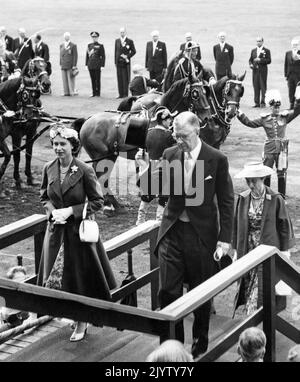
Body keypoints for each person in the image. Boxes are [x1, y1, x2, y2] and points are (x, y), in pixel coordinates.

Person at [140, 111, 234, 360]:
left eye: (182, 135)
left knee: (200, 294)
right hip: (172, 232)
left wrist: (225, 239)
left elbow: (226, 201)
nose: (178, 139)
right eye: (175, 134)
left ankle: (200, 346)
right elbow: (152, 190)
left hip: (201, 236)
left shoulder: (217, 159)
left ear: (197, 130)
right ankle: (171, 349)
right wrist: (148, 175)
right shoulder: (170, 154)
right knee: (168, 292)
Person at [37, 123, 117, 342]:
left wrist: (71, 212)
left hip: (77, 235)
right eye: (55, 144)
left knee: (80, 279)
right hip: (55, 234)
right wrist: (53, 212)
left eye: (63, 144)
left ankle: (82, 321)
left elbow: (98, 202)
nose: (58, 148)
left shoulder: (84, 169)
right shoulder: (49, 168)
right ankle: (72, 315)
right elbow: (44, 196)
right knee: (60, 279)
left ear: (73, 146)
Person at [232, 162, 295, 317]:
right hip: (247, 250)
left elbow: (284, 227)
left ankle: (253, 321)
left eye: (254, 181)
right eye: (248, 181)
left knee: (261, 289)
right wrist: (235, 250)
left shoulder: (275, 199)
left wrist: (284, 253)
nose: (251, 185)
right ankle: (255, 322)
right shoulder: (243, 198)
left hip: (266, 252)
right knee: (247, 287)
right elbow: (236, 225)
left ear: (263, 179)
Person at [236, 88, 300, 196]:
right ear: (270, 107)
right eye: (275, 107)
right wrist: (239, 113)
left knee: (281, 174)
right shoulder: (264, 119)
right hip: (269, 150)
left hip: (281, 150)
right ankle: (267, 195)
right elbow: (250, 123)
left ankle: (282, 197)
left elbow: (297, 111)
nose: (277, 109)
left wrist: (298, 99)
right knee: (266, 173)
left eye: (278, 107)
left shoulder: (285, 117)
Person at [135, 106, 177, 225]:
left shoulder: (148, 133)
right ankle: (159, 222)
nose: (171, 121)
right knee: (163, 199)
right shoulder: (169, 135)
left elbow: (144, 151)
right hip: (164, 170)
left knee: (146, 197)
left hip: (150, 168)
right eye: (169, 119)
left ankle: (140, 221)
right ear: (163, 120)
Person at [249, 37, 271, 108]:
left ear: (262, 42)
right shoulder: (253, 50)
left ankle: (263, 102)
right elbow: (250, 60)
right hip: (255, 71)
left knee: (263, 87)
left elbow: (269, 60)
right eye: (257, 41)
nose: (258, 42)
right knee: (256, 86)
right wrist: (251, 64)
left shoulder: (266, 50)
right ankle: (256, 103)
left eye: (260, 41)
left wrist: (260, 60)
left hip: (263, 71)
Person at [114, 27, 136, 98]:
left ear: (125, 32)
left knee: (125, 78)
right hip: (118, 63)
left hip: (125, 63)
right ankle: (120, 94)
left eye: (123, 32)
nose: (122, 33)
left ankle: (125, 94)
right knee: (119, 78)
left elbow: (133, 51)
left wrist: (127, 56)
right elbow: (115, 52)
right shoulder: (117, 41)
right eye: (121, 32)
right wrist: (115, 62)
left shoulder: (129, 41)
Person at [86, 31, 105, 97]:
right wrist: (86, 64)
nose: (94, 38)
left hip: (97, 65)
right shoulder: (89, 45)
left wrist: (102, 65)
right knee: (92, 79)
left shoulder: (100, 46)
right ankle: (93, 92)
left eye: (95, 37)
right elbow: (87, 56)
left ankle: (98, 93)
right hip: (90, 65)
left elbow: (103, 56)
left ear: (97, 37)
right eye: (93, 37)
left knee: (97, 79)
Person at [59, 32, 78, 97]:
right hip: (63, 64)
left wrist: (74, 65)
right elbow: (60, 55)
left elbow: (75, 56)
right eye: (65, 36)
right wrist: (60, 63)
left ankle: (71, 92)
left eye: (67, 36)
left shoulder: (73, 45)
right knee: (64, 79)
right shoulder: (61, 45)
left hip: (70, 65)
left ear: (69, 37)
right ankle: (66, 92)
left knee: (71, 79)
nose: (66, 37)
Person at [284, 37, 300, 109]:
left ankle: (297, 105)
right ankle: (291, 104)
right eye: (293, 45)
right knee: (291, 90)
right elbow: (286, 64)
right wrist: (285, 74)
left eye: (296, 45)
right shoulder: (288, 53)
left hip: (298, 75)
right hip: (290, 75)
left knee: (298, 90)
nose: (295, 46)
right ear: (291, 45)